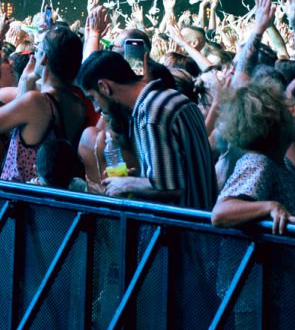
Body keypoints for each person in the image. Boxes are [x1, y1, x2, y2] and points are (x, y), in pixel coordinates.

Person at [77, 48, 216, 209]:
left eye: (93, 98)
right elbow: (180, 172)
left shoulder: (152, 113)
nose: (95, 108)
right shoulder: (172, 97)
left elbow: (169, 187)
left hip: (184, 229)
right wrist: (138, 178)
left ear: (104, 87)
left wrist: (126, 184)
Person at [0, 23, 88, 183]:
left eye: (38, 50)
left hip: (18, 198)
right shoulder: (78, 104)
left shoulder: (37, 102)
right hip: (49, 198)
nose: (33, 55)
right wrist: (28, 80)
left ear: (44, 58)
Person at [211, 76, 295, 234]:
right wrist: (270, 207)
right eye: (285, 109)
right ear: (272, 122)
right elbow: (220, 214)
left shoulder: (283, 163)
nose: (293, 112)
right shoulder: (258, 163)